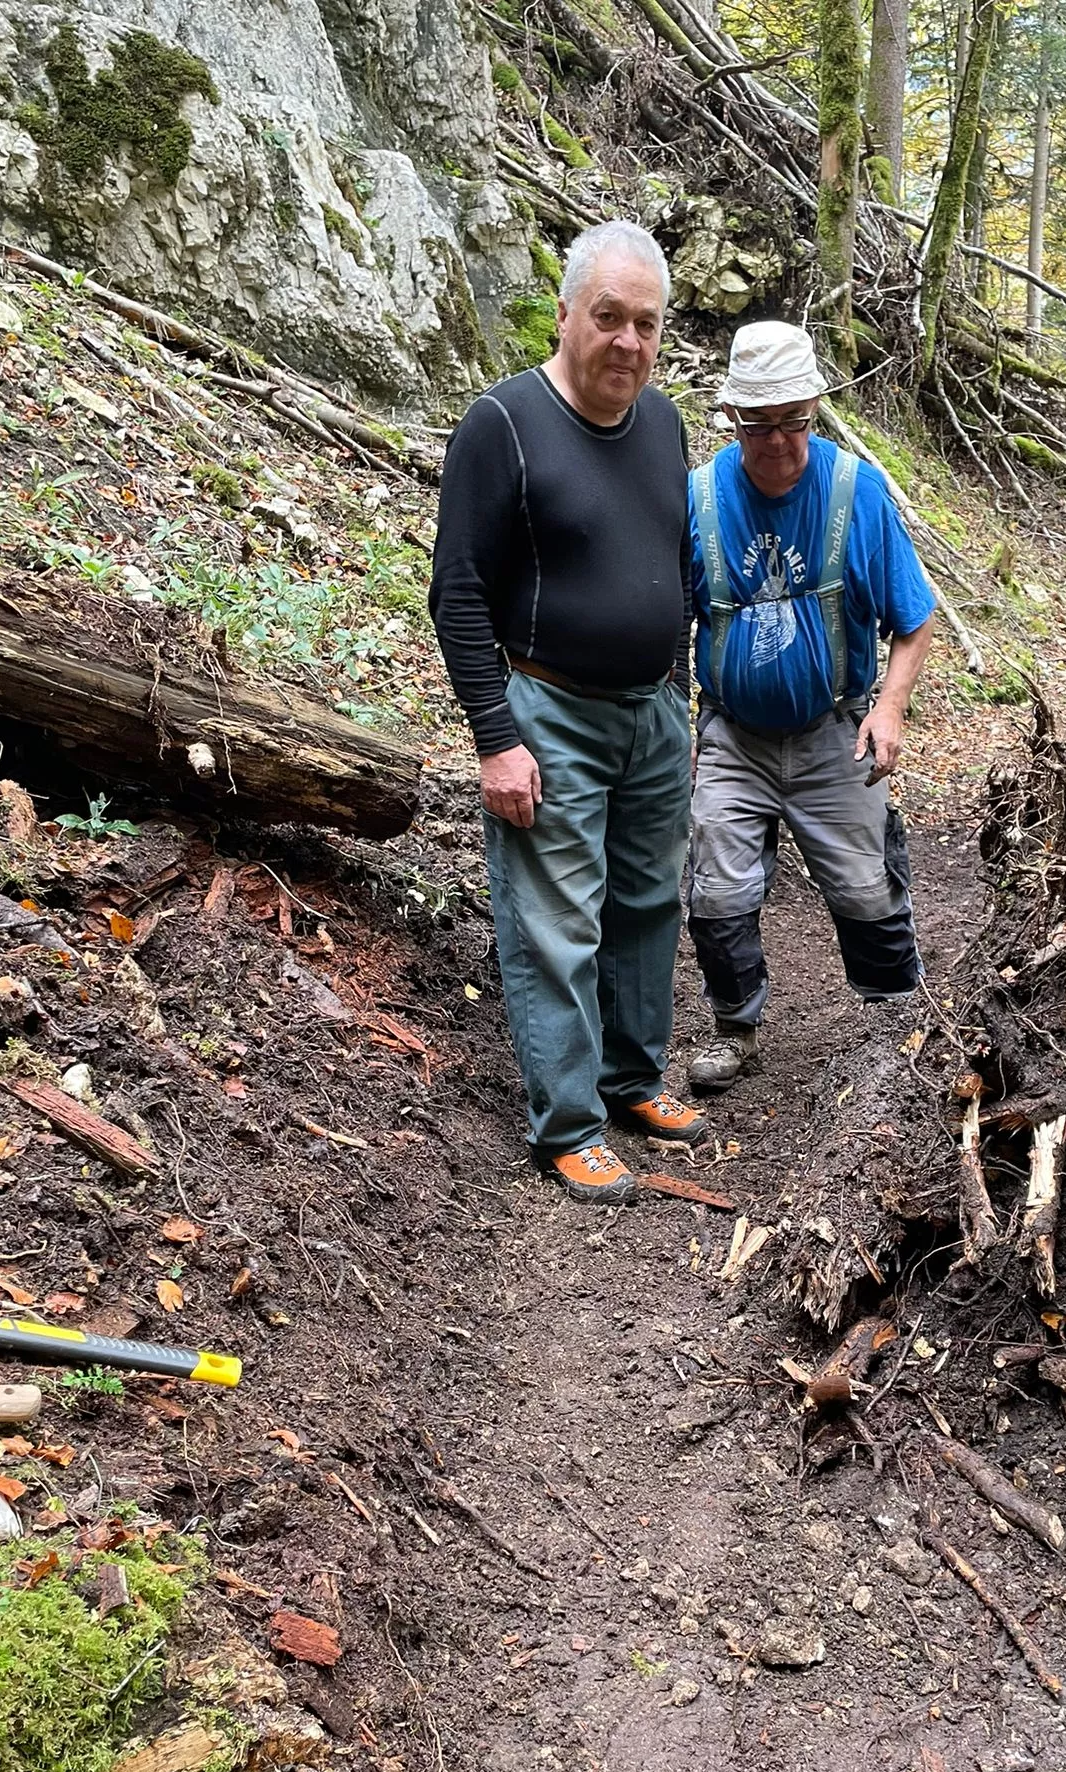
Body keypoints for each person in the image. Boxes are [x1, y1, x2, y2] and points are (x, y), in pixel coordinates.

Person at [429, 221, 708, 1203]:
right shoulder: (501, 423)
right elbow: (457, 591)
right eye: (608, 318)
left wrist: (677, 694)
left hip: (653, 715)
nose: (627, 342)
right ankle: (568, 1122)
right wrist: (495, 738)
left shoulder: (665, 424)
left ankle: (632, 1079)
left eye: (646, 323)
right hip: (547, 710)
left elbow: (675, 564)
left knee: (643, 910)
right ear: (565, 313)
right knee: (558, 923)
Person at [684, 322, 937, 1092]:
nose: (778, 442)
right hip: (733, 733)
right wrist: (676, 724)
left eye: (794, 421)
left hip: (835, 730)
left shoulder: (856, 494)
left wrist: (889, 709)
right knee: (717, 890)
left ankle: (899, 1029)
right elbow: (661, 621)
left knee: (865, 888)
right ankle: (736, 1028)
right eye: (759, 425)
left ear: (815, 410)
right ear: (731, 419)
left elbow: (914, 617)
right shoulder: (697, 498)